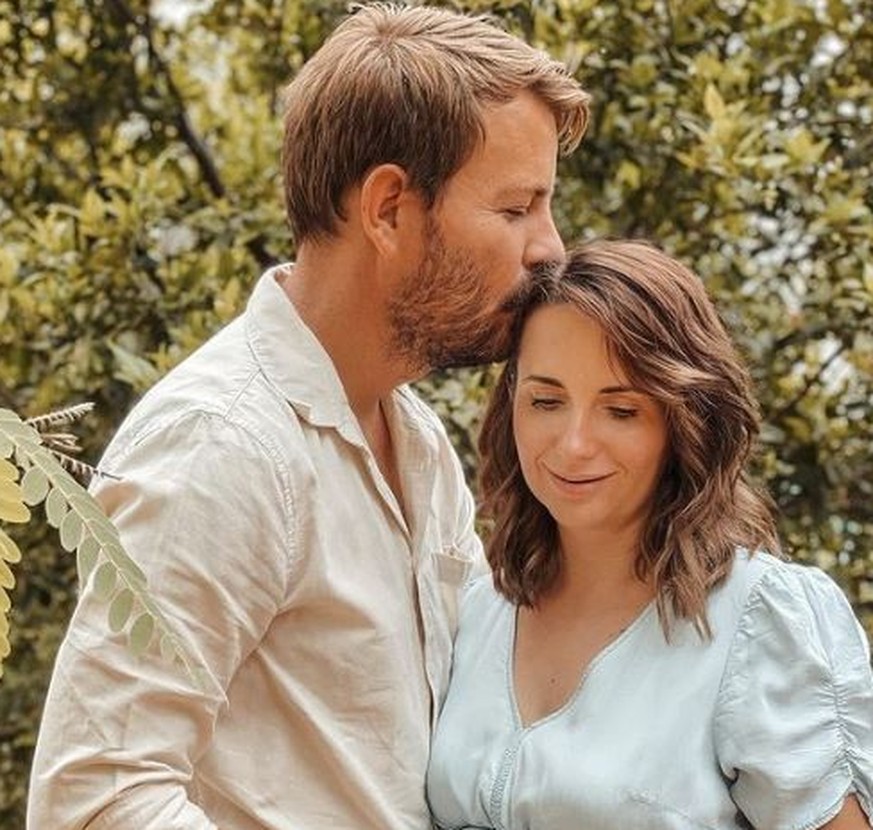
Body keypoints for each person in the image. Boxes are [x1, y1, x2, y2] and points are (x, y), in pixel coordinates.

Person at [27, 5, 590, 829]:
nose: (550, 247)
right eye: (515, 209)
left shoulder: (418, 441)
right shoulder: (223, 444)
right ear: (389, 208)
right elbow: (96, 799)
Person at [427, 238, 873, 829]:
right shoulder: (478, 612)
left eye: (621, 410)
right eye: (546, 400)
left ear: (683, 421)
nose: (574, 443)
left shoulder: (757, 619)